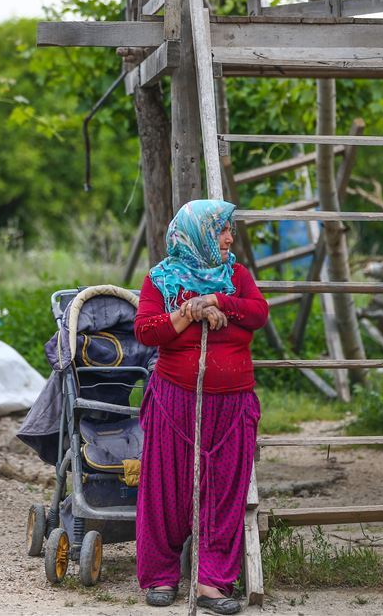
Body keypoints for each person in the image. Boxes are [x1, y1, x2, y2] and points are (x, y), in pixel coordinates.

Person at [133, 199, 268, 615]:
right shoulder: (160, 279)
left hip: (232, 404)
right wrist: (189, 312)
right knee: (166, 489)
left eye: (228, 230)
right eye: (222, 230)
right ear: (197, 235)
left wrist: (218, 301)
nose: (229, 238)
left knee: (224, 491)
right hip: (175, 401)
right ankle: (161, 575)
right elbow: (146, 330)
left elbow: (258, 313)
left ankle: (212, 582)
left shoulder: (236, 276)